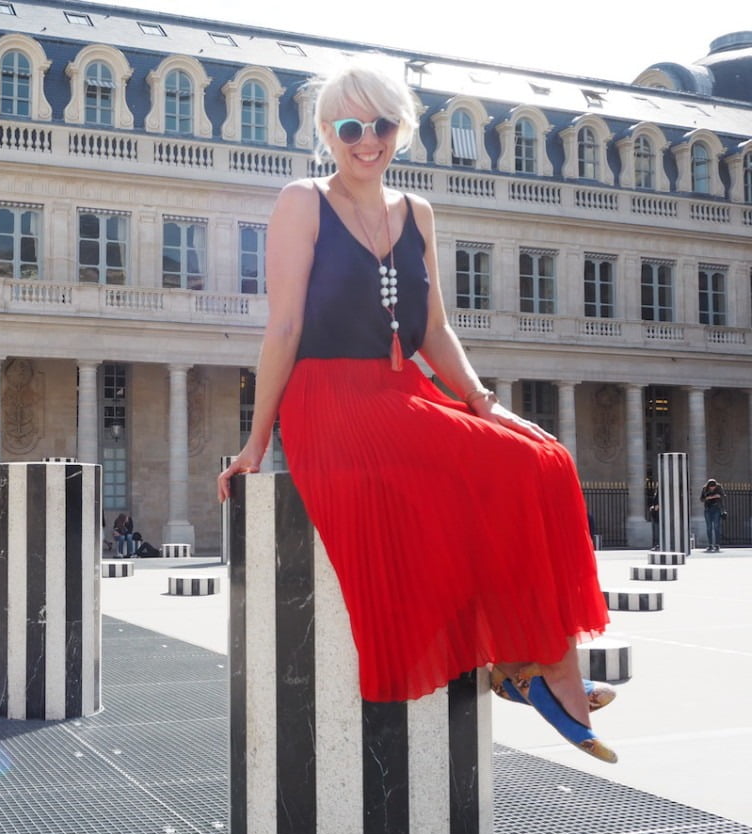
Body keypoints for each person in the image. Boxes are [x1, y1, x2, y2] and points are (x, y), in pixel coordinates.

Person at [216, 56, 615, 763]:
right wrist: (257, 441)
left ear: (400, 129)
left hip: (399, 391)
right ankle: (549, 670)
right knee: (505, 470)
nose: (366, 140)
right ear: (326, 132)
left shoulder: (416, 213)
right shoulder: (301, 202)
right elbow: (282, 328)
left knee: (544, 457)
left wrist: (484, 404)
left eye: (382, 124)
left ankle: (534, 665)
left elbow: (432, 327)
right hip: (330, 401)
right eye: (349, 127)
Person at [700, 478, 724, 552]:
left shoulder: (719, 488)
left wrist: (717, 496)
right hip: (708, 509)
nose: (712, 488)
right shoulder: (704, 489)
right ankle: (710, 544)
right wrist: (710, 497)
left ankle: (717, 544)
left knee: (716, 527)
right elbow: (701, 499)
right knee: (709, 527)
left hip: (716, 509)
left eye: (713, 487)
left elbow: (723, 496)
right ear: (708, 486)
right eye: (711, 487)